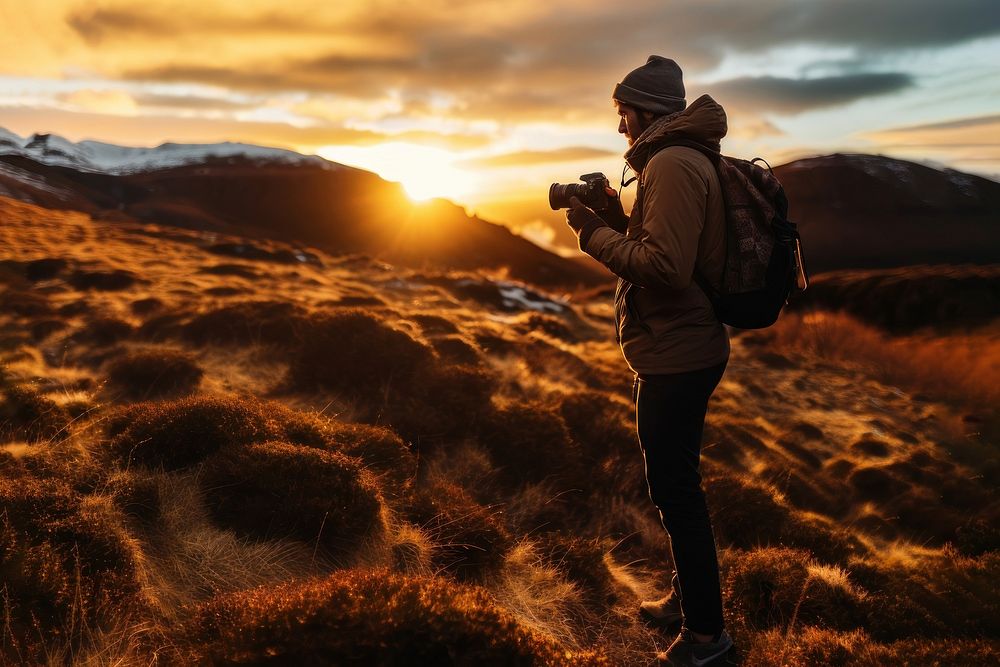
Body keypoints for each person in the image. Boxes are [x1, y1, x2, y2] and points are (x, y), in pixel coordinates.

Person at [564, 55, 733, 666]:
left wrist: (591, 233)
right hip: (678, 345)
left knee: (675, 490)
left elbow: (665, 269)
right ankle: (688, 604)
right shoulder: (677, 161)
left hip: (679, 353)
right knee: (675, 485)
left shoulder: (673, 163)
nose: (619, 128)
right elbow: (662, 245)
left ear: (646, 112)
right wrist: (614, 216)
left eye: (622, 114)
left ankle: (707, 637)